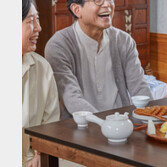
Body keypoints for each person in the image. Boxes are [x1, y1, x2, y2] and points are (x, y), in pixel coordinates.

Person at [45, 0, 152, 119]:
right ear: (77, 10)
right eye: (98, 1)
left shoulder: (124, 40)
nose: (107, 5)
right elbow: (72, 98)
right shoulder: (59, 45)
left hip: (122, 122)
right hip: (79, 128)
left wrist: (153, 117)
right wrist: (107, 124)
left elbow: (139, 87)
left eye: (110, 0)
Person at [22, 0, 60, 166]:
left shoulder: (42, 67)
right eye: (30, 21)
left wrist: (40, 153)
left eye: (37, 20)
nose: (38, 28)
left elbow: (51, 122)